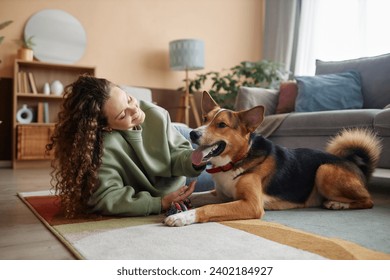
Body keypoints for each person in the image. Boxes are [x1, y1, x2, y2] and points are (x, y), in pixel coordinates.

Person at [46, 75, 212, 218]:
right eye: (122, 114)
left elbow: (177, 153)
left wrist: (193, 160)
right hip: (175, 188)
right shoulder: (101, 148)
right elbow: (106, 198)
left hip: (182, 156)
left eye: (128, 99)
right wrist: (159, 203)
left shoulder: (155, 113)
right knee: (229, 185)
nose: (135, 110)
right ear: (106, 127)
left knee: (232, 166)